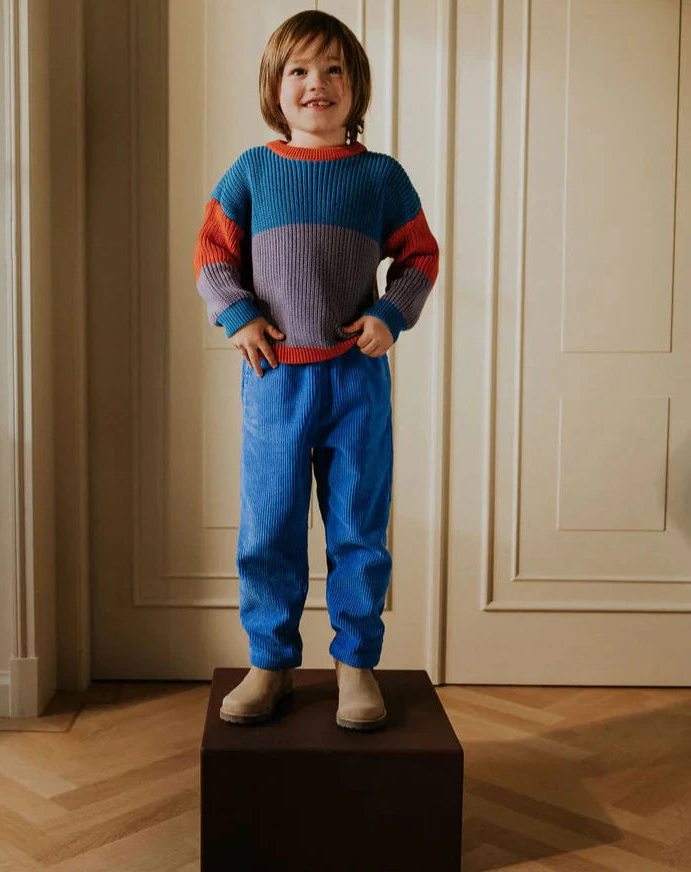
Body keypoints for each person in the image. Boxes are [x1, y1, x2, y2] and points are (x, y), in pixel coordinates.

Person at [193, 9, 439, 730]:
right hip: (275, 379)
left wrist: (389, 315)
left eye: (333, 70)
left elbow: (419, 258)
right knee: (268, 526)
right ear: (275, 86)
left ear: (355, 88)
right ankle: (269, 661)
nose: (316, 84)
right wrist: (238, 315)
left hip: (356, 380)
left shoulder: (379, 177)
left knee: (358, 526)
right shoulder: (252, 170)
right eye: (299, 70)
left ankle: (354, 665)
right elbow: (212, 255)